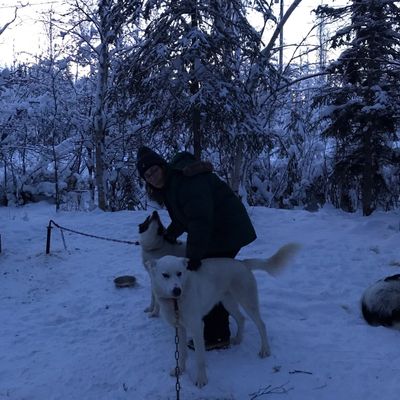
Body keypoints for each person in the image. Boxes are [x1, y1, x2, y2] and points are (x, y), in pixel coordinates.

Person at [136, 146, 257, 350]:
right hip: (218, 230)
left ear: (162, 166)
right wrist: (169, 236)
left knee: (210, 279)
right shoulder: (171, 186)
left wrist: (193, 256)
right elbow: (183, 219)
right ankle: (214, 327)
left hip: (227, 230)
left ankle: (216, 336)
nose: (152, 177)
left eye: (154, 170)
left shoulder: (185, 182)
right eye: (147, 176)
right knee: (211, 277)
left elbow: (199, 221)